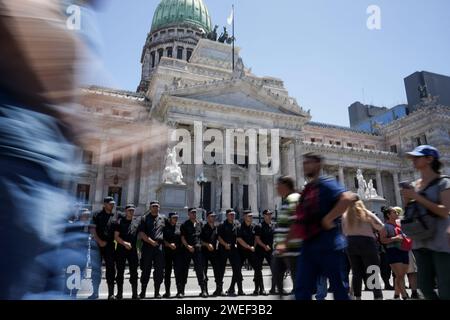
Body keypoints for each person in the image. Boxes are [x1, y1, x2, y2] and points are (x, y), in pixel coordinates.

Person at [293, 153, 353, 300]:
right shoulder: (307, 189)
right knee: (302, 287)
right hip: (308, 244)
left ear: (318, 165)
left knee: (338, 287)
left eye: (309, 162)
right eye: (304, 162)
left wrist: (329, 218)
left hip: (327, 243)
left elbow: (347, 198)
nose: (305, 165)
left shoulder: (326, 183)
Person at [402, 145, 450, 299]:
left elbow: (444, 210)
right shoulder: (415, 185)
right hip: (420, 240)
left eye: (417, 157)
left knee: (445, 287)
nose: (413, 160)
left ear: (430, 159)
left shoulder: (444, 183)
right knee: (424, 286)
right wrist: (408, 200)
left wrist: (416, 197)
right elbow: (410, 211)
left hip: (441, 240)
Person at [342, 196, 384, 300]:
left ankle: (357, 296)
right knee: (372, 270)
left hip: (350, 242)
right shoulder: (366, 213)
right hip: (367, 242)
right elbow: (380, 226)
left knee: (356, 272)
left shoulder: (345, 215)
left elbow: (343, 232)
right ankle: (377, 296)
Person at [273, 176, 301, 297]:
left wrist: (284, 243)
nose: (276, 188)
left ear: (285, 186)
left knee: (298, 282)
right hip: (284, 250)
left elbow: (296, 223)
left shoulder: (293, 199)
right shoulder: (287, 200)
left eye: (278, 185)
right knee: (277, 276)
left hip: (292, 249)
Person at [379, 206, 410, 300]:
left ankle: (396, 295)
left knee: (401, 275)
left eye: (396, 212)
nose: (397, 213)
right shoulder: (385, 226)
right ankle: (404, 296)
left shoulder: (399, 225)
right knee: (399, 275)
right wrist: (395, 239)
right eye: (394, 212)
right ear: (388, 215)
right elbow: (382, 240)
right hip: (393, 251)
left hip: (404, 250)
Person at [90, 196, 117, 300]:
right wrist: (99, 241)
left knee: (111, 269)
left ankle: (111, 294)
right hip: (97, 245)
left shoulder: (115, 215)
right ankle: (95, 293)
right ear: (104, 204)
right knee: (96, 269)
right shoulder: (96, 215)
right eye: (110, 203)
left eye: (113, 203)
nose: (112, 205)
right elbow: (92, 230)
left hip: (110, 245)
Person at [138, 201, 166, 299]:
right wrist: (151, 241)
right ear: (150, 207)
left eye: (157, 206)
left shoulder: (163, 218)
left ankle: (157, 292)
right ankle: (143, 292)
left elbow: (166, 232)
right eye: (153, 206)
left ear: (159, 207)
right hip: (147, 247)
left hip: (159, 247)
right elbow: (141, 233)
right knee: (146, 269)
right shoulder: (144, 218)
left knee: (159, 270)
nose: (155, 208)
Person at [114, 204, 140, 300]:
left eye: (133, 210)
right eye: (129, 210)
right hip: (121, 249)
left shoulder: (136, 222)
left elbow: (139, 236)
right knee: (120, 272)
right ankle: (119, 294)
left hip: (132, 250)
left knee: (134, 272)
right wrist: (125, 243)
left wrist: (138, 248)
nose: (131, 212)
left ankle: (135, 294)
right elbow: (116, 237)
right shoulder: (119, 221)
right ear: (125, 211)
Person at [180, 208, 207, 298]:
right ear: (188, 214)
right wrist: (188, 246)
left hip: (198, 250)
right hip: (187, 249)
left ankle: (203, 290)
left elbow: (202, 237)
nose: (194, 214)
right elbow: (182, 238)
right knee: (184, 270)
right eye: (192, 213)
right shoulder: (184, 224)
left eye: (195, 213)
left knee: (200, 270)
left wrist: (202, 244)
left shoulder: (200, 224)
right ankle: (181, 291)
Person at [217, 209, 243, 296]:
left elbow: (238, 236)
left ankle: (238, 289)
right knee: (221, 270)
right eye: (231, 214)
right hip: (223, 249)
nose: (233, 216)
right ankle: (219, 289)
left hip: (233, 249)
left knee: (237, 269)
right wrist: (225, 244)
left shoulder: (237, 224)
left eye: (233, 214)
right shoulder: (222, 225)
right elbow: (219, 238)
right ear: (227, 215)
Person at [237, 210, 262, 295]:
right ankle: (240, 290)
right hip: (241, 251)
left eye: (251, 216)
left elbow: (256, 238)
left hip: (251, 251)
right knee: (237, 270)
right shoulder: (239, 227)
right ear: (244, 217)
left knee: (258, 269)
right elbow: (239, 239)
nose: (251, 217)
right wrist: (249, 247)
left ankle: (257, 289)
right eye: (249, 216)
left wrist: (254, 247)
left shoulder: (254, 226)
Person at [255, 209, 276, 295]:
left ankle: (273, 288)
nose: (270, 216)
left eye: (270, 214)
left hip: (270, 251)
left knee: (275, 269)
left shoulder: (272, 226)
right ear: (264, 216)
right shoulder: (259, 226)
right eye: (267, 214)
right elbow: (257, 239)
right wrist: (264, 246)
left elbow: (275, 238)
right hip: (260, 250)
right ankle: (261, 289)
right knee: (258, 270)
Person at [201, 211, 222, 296]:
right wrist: (207, 244)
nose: (212, 218)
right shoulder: (203, 227)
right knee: (204, 271)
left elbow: (218, 238)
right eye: (211, 216)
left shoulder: (216, 227)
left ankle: (219, 289)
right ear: (207, 218)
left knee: (217, 271)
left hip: (214, 252)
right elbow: (199, 240)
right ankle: (204, 290)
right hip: (205, 252)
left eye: (214, 216)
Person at [162, 212, 183, 298]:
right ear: (170, 218)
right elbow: (162, 239)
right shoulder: (165, 227)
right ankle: (167, 292)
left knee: (178, 272)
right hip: (167, 252)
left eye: (176, 217)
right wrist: (169, 245)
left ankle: (179, 292)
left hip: (177, 252)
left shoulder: (179, 226)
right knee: (167, 273)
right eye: (174, 217)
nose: (175, 219)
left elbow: (182, 238)